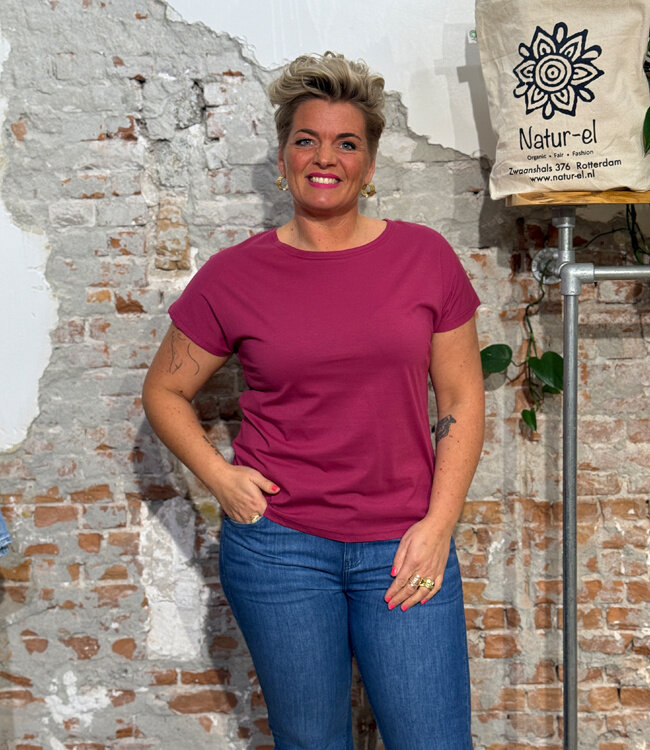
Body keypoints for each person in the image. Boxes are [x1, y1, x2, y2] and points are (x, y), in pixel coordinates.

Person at [142, 51, 484, 750]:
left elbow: (462, 396)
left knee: (433, 740)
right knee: (311, 743)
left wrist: (439, 525)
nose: (325, 157)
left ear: (370, 163)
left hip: (404, 543)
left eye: (346, 143)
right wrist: (220, 478)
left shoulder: (425, 259)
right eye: (307, 139)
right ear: (283, 157)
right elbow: (165, 389)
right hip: (280, 552)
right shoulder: (234, 276)